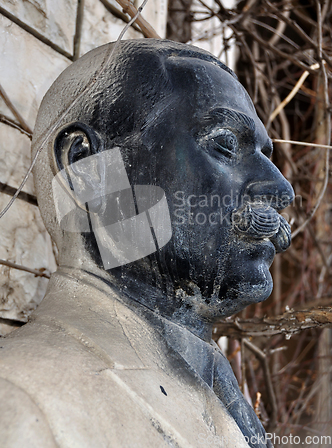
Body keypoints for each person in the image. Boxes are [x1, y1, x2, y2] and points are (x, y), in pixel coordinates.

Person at [0, 40, 294, 448]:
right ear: (87, 168)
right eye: (225, 145)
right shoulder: (19, 401)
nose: (281, 188)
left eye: (266, 155)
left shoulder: (223, 399)